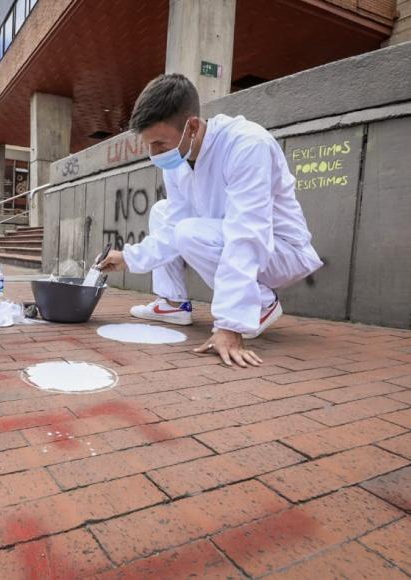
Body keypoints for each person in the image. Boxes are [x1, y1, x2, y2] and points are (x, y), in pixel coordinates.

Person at [99, 74, 323, 368]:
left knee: (188, 232)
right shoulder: (177, 160)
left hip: (281, 251)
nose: (154, 155)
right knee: (163, 212)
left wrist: (231, 324)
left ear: (191, 127)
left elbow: (247, 233)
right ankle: (172, 304)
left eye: (160, 145)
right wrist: (128, 258)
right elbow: (172, 226)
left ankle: (260, 304)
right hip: (230, 236)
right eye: (148, 146)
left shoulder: (247, 144)